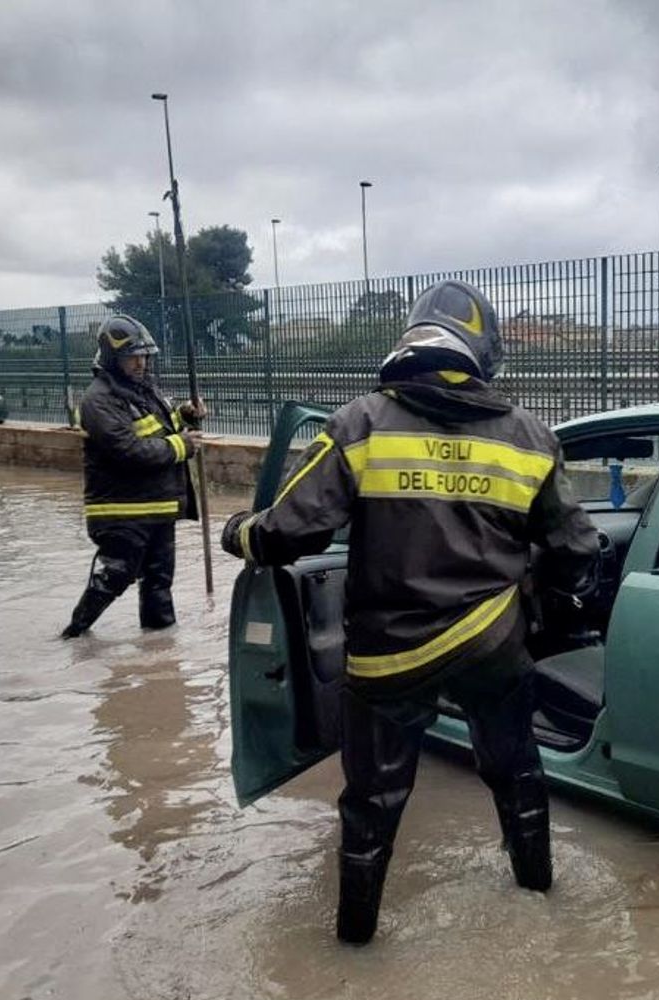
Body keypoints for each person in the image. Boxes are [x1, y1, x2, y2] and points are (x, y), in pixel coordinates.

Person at [220, 280, 598, 944]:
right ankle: (539, 895)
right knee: (516, 771)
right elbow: (575, 546)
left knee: (372, 801)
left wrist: (239, 532)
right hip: (493, 642)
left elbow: (291, 535)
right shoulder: (531, 436)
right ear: (483, 351)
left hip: (389, 653)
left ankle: (355, 945)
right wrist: (549, 603)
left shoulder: (359, 424)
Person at [61, 314, 205, 639]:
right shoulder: (98, 401)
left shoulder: (143, 390)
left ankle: (160, 647)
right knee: (113, 578)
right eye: (132, 357)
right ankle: (72, 637)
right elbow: (128, 450)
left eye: (144, 356)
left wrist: (184, 416)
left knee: (159, 583)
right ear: (113, 359)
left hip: (158, 508)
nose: (140, 363)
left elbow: (159, 431)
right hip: (121, 512)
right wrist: (181, 445)